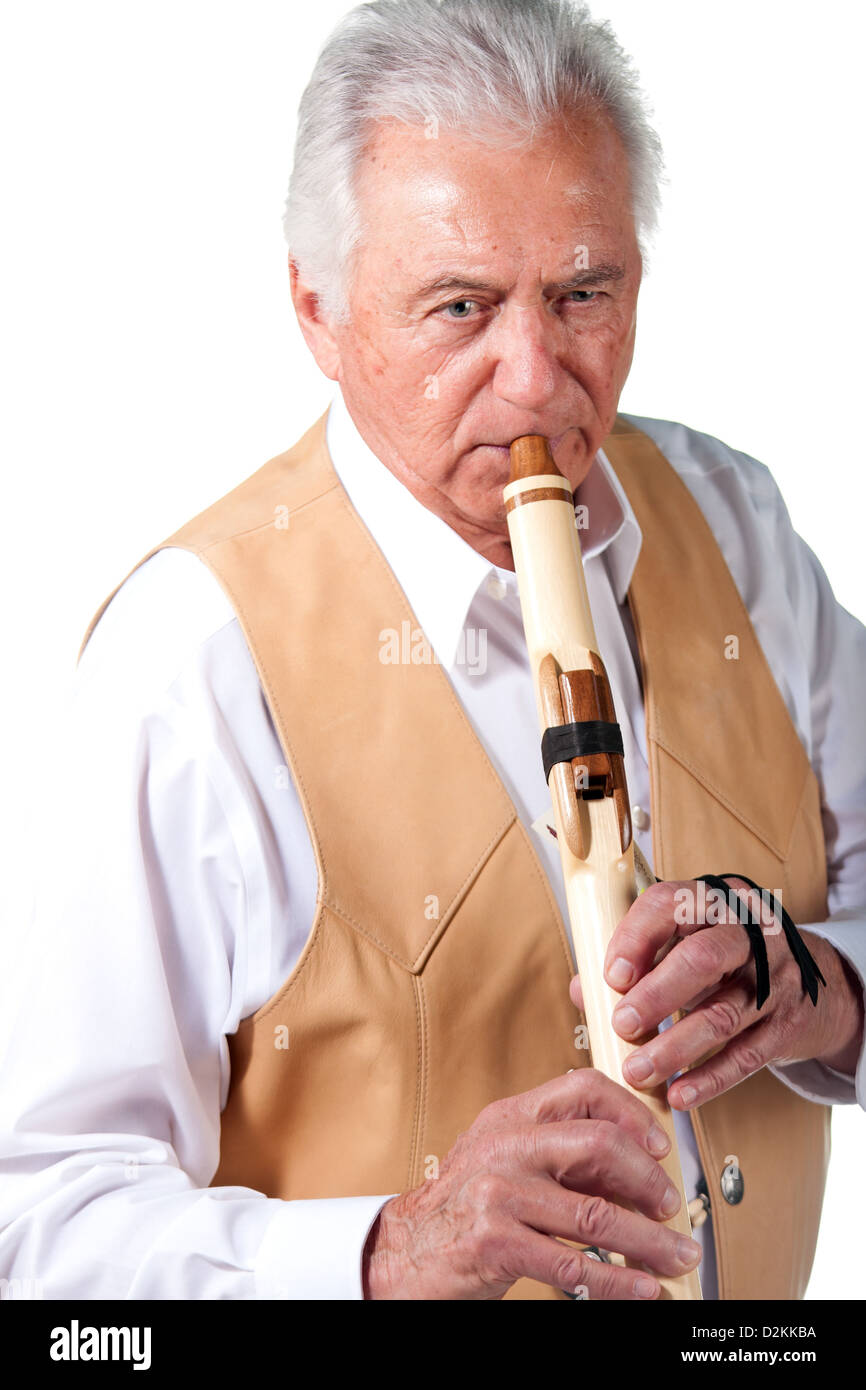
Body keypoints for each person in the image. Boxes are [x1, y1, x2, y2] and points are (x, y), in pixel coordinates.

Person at [1, 0, 863, 1301]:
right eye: (458, 308)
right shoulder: (190, 660)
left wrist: (824, 989)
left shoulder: (730, 522)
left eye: (584, 292)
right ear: (318, 311)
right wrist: (388, 1248)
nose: (533, 382)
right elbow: (38, 1225)